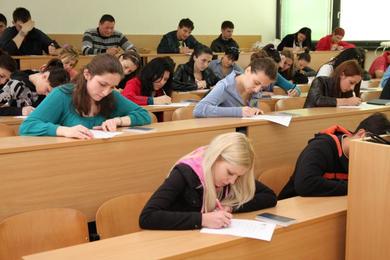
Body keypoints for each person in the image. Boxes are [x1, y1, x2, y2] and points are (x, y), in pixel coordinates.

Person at [139, 132, 277, 230]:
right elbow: (147, 217)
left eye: (238, 176)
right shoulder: (184, 174)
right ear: (215, 158)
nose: (233, 181)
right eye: (230, 173)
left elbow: (269, 196)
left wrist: (230, 207)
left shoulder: (234, 172)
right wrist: (203, 220)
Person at [19, 54, 151, 139]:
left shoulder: (112, 96)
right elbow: (27, 127)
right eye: (102, 84)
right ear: (87, 74)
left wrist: (118, 121)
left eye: (112, 87)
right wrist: (64, 131)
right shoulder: (62, 94)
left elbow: (144, 115)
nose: (106, 92)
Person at [278, 113, 390, 199]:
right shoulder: (320, 147)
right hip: (293, 207)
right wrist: (357, 187)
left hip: (326, 206)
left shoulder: (367, 157)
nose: (375, 153)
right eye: (374, 147)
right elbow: (305, 184)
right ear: (361, 134)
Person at [193, 57, 277, 118]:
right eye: (256, 83)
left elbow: (248, 113)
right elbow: (199, 109)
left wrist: (255, 111)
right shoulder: (225, 85)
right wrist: (238, 111)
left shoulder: (254, 89)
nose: (257, 90)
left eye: (262, 87)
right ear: (248, 70)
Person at [1, 59, 69, 116]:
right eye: (47, 90)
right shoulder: (16, 84)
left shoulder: (42, 90)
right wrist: (20, 111)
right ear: (45, 76)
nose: (47, 95)